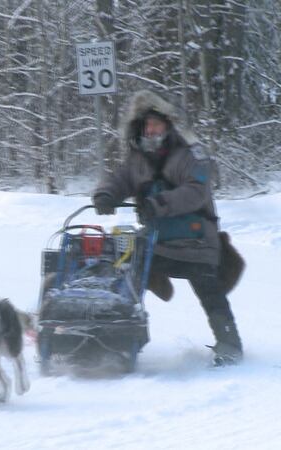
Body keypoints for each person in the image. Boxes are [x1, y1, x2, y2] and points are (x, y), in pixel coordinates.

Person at [92, 90, 243, 366]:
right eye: (147, 124)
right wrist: (105, 195)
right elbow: (120, 179)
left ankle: (230, 343)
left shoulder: (191, 154)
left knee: (208, 289)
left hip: (195, 240)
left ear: (169, 124)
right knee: (122, 271)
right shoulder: (137, 158)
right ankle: (115, 337)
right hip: (157, 243)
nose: (151, 130)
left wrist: (157, 204)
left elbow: (196, 192)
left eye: (157, 124)